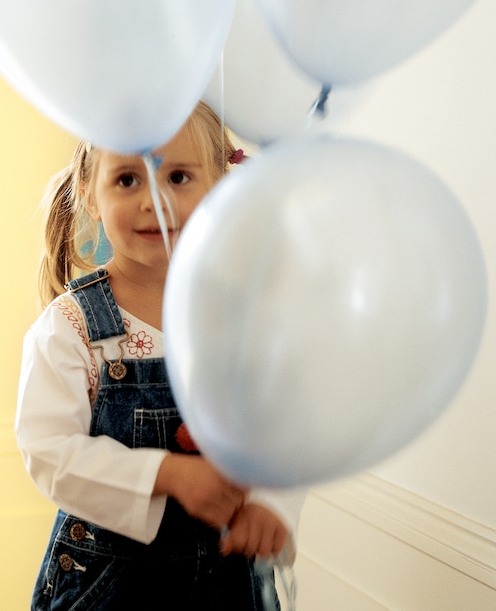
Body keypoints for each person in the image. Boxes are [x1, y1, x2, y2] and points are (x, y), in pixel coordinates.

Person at [15, 102, 305, 609]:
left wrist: (271, 505)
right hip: (110, 588)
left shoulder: (242, 322)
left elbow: (283, 426)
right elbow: (47, 451)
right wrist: (167, 475)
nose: (155, 201)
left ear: (219, 185)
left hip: (228, 583)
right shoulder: (73, 328)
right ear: (89, 192)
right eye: (128, 179)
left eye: (178, 176)